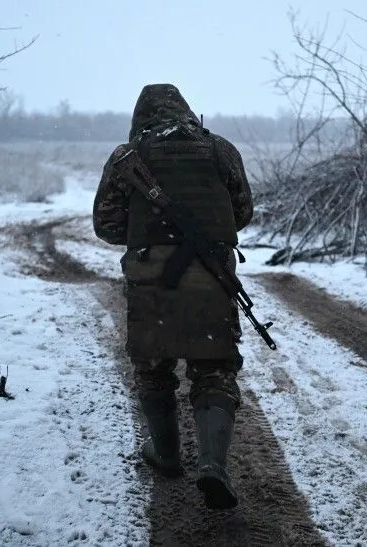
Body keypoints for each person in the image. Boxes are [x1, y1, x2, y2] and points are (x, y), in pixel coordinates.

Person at [93, 83, 253, 510]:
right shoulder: (220, 150)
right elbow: (242, 214)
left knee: (153, 367)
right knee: (214, 370)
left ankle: (165, 455)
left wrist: (147, 230)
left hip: (151, 281)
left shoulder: (126, 158)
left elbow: (106, 226)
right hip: (212, 277)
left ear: (140, 117)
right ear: (186, 112)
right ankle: (212, 465)